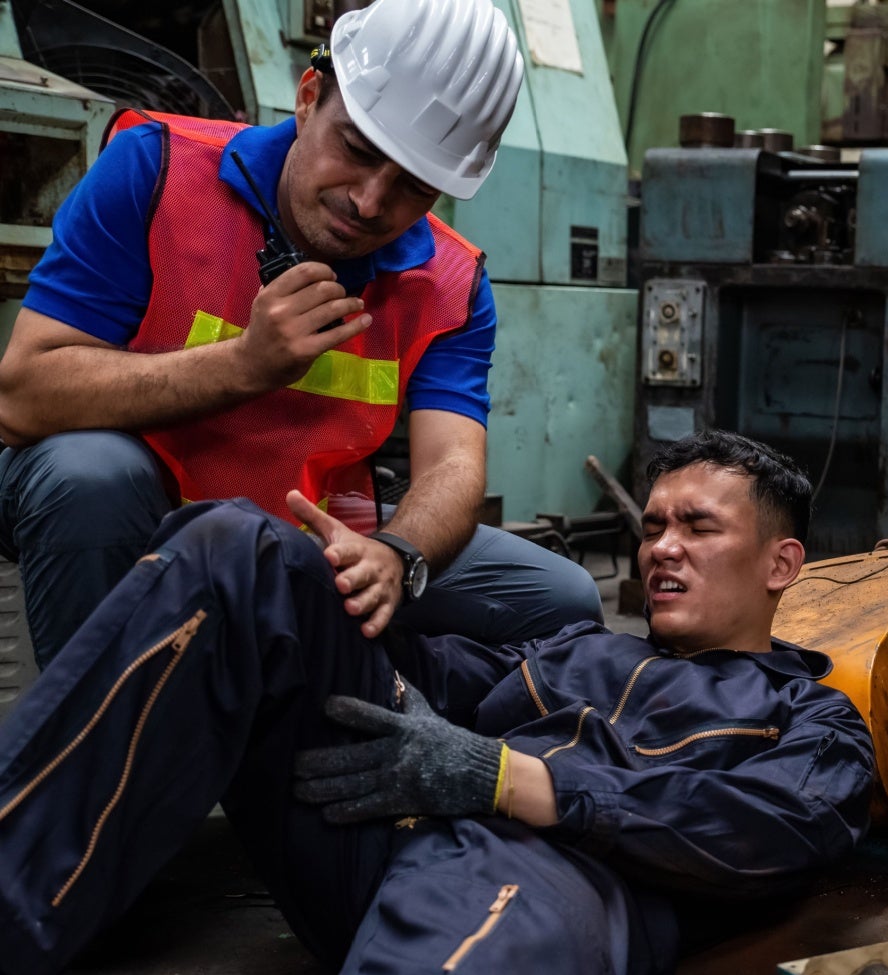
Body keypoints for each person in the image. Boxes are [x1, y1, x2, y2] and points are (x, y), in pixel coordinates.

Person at [0, 429, 876, 975]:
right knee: (238, 546)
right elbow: (423, 674)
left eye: (699, 528)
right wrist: (339, 586)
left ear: (781, 563)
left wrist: (516, 783)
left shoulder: (807, 715)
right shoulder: (579, 649)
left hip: (553, 873)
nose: (662, 549)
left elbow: (774, 827)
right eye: (651, 528)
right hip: (382, 820)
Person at [0, 0, 601, 670]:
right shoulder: (156, 170)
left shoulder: (450, 281)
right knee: (86, 476)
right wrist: (243, 365)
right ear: (309, 99)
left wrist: (396, 558)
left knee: (561, 597)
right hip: (146, 521)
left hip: (313, 532)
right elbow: (22, 396)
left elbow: (454, 466)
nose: (371, 202)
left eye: (413, 186)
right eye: (357, 149)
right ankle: (100, 751)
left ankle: (360, 724)